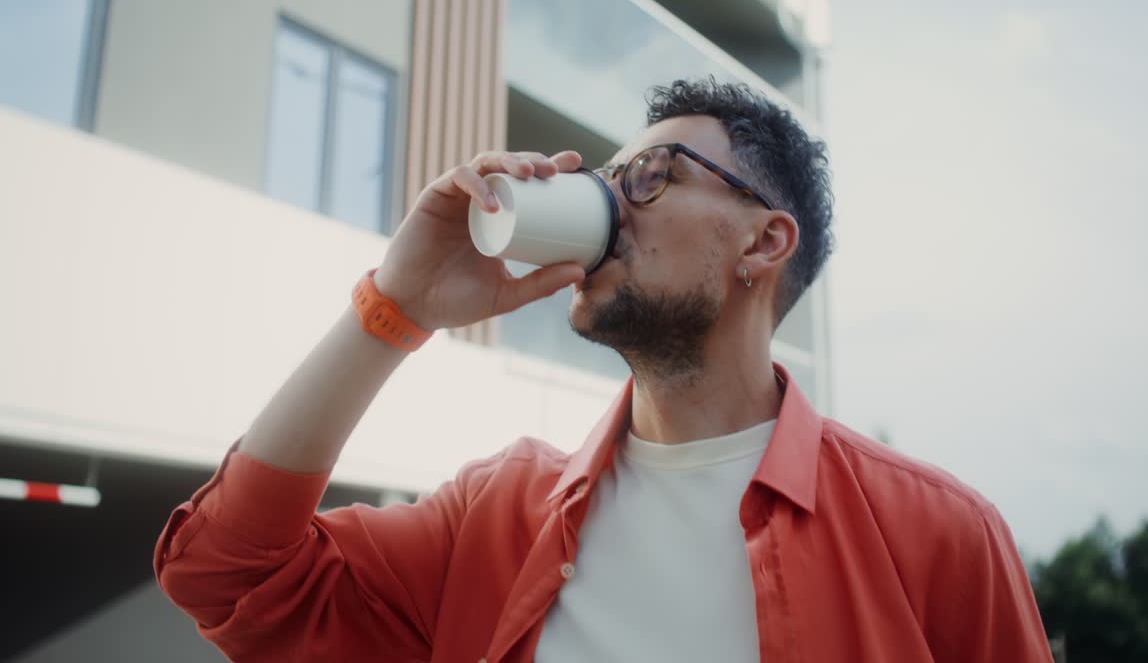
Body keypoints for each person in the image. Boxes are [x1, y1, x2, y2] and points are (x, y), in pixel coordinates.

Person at [155, 78, 1054, 662]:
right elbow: (225, 572)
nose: (609, 210)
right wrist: (399, 304)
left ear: (764, 240)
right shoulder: (497, 516)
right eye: (609, 179)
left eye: (652, 177)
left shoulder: (937, 538)